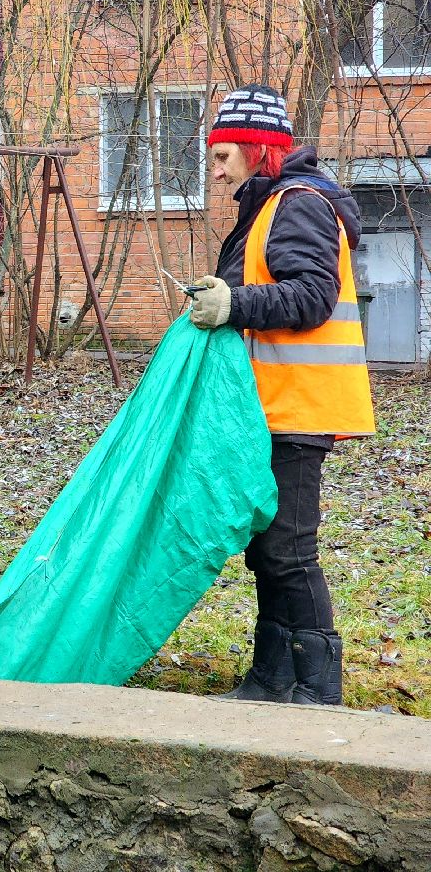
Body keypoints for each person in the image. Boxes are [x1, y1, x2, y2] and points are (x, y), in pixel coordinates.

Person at [190, 83, 375, 706]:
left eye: (223, 156)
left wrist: (233, 304)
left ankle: (318, 688)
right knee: (268, 550)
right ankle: (272, 679)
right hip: (270, 406)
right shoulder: (271, 206)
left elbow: (312, 297)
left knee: (289, 551)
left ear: (256, 148)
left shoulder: (298, 205)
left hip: (299, 405)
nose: (217, 172)